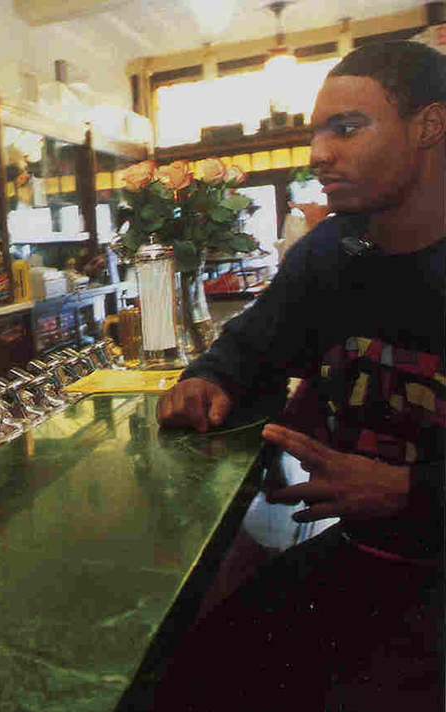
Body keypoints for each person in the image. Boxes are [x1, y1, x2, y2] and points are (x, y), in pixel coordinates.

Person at [153, 41, 444, 709]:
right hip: (368, 556)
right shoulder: (332, 252)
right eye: (318, 132)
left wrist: (413, 491)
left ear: (428, 127)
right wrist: (210, 379)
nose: (318, 154)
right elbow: (252, 344)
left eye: (346, 128)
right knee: (186, 672)